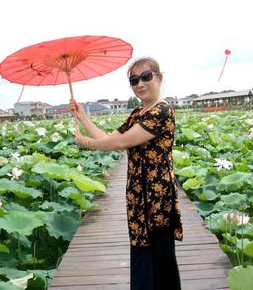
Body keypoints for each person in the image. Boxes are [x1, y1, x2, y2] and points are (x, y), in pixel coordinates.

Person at [70, 57, 183, 290]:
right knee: (141, 251)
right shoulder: (137, 113)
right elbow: (109, 138)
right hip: (137, 191)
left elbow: (122, 142)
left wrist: (87, 143)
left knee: (160, 256)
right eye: (134, 80)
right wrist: (83, 116)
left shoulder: (162, 111)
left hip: (157, 194)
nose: (140, 83)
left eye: (146, 76)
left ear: (159, 78)